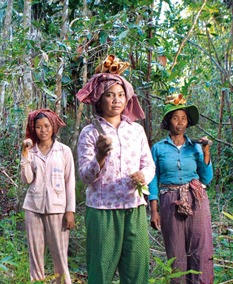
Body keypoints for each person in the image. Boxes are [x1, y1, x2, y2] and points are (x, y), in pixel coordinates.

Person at [76, 55, 155, 284]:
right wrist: (99, 156)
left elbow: (148, 165)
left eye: (120, 95)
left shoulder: (137, 131)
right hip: (102, 210)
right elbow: (86, 177)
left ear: (127, 99)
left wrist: (144, 176)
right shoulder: (90, 133)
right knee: (100, 271)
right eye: (109, 95)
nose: (116, 100)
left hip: (135, 208)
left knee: (137, 270)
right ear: (99, 100)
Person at [148, 97, 214, 284]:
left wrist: (206, 152)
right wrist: (154, 210)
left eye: (183, 118)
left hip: (196, 199)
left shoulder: (196, 147)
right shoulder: (158, 148)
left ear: (188, 122)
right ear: (168, 120)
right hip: (169, 200)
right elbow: (153, 179)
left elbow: (206, 178)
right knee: (176, 250)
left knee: (200, 246)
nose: (180, 122)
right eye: (175, 118)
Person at [20, 109, 76, 284]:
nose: (43, 130)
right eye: (38, 127)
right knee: (36, 255)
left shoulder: (64, 151)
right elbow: (27, 179)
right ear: (33, 129)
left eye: (46, 126)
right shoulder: (31, 151)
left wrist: (70, 211)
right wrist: (25, 154)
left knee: (59, 255)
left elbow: (70, 182)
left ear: (53, 127)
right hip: (33, 208)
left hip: (57, 209)